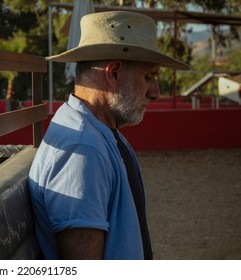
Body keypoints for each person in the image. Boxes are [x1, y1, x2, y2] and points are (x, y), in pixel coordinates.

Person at [28, 11, 189, 260]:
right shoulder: (82, 150)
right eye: (149, 77)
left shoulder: (97, 132)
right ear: (113, 73)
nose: (155, 92)